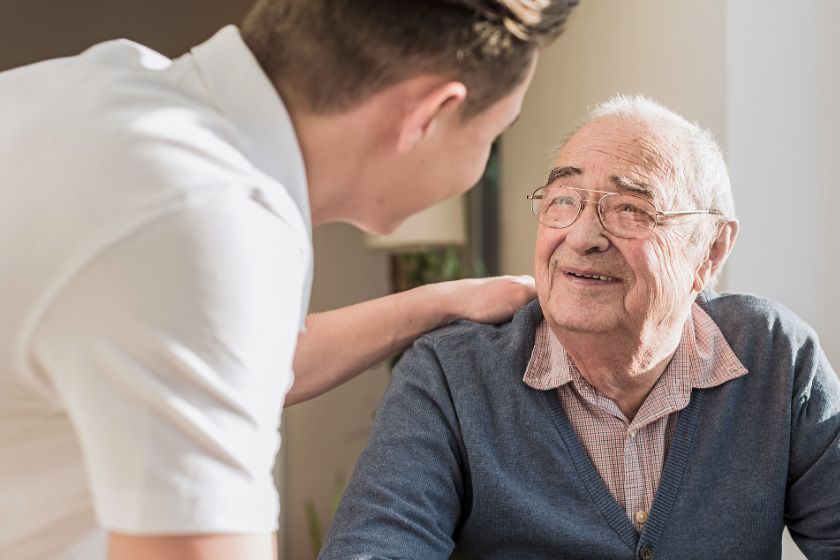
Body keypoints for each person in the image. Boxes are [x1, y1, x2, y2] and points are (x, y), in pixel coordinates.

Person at [0, 1, 580, 559]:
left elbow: (211, 359)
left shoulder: (106, 88)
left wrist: (446, 300)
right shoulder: (207, 223)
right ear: (427, 117)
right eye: (494, 133)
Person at [319, 95, 840, 559]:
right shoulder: (453, 375)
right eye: (563, 200)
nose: (583, 235)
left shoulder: (774, 356)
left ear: (711, 250)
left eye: (631, 208)